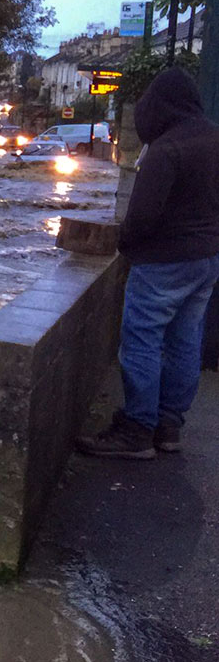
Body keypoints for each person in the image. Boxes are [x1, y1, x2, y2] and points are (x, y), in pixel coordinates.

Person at [79, 68, 219, 459]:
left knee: (142, 339)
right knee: (184, 341)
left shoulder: (166, 149)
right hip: (207, 260)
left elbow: (140, 217)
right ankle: (169, 425)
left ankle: (137, 429)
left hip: (164, 261)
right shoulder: (214, 137)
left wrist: (124, 244)